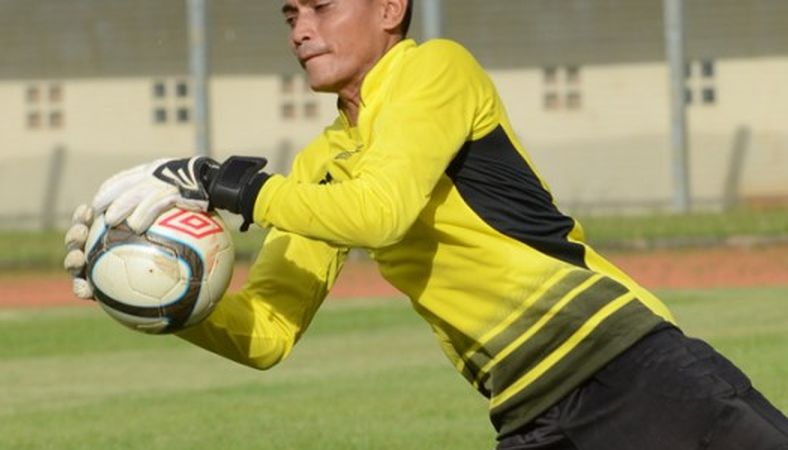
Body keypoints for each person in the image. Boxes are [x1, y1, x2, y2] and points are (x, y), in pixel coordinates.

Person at [64, 0, 788, 448]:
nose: (301, 30)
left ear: (390, 7)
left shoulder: (434, 70)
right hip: (527, 416)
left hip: (630, 370)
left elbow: (380, 213)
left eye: (319, 7)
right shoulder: (319, 165)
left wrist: (227, 185)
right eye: (291, 15)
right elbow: (267, 333)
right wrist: (165, 296)